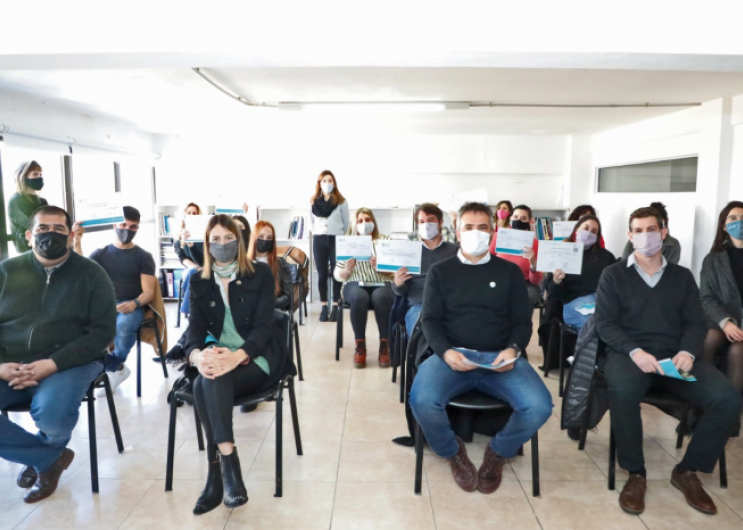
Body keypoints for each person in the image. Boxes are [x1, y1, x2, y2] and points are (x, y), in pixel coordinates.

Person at [594, 207, 742, 516]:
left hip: (676, 362)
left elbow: (695, 323)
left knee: (727, 398)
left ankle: (687, 471)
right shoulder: (614, 274)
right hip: (629, 357)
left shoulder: (681, 277)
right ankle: (636, 474)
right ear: (630, 235)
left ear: (664, 233)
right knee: (622, 391)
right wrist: (636, 351)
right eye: (638, 230)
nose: (645, 236)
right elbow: (606, 324)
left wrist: (688, 352)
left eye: (652, 229)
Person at [409, 201, 553, 494]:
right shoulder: (440, 271)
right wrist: (447, 352)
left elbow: (522, 322)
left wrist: (513, 350)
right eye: (469, 228)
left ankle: (498, 452)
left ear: (493, 232)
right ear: (458, 233)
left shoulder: (510, 272)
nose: (476, 233)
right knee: (421, 401)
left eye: (483, 227)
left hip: (500, 359)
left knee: (540, 406)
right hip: (451, 356)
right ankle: (452, 452)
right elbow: (431, 321)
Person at [0, 205, 116, 504]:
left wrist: (51, 364)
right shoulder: (7, 271)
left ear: (70, 235)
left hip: (71, 360)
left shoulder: (92, 274)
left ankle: (39, 457)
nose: (50, 235)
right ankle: (47, 458)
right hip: (9, 363)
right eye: (42, 229)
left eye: (58, 229)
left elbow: (102, 333)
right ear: (28, 236)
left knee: (52, 416)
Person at [185, 214, 283, 514]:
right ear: (206, 243)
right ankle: (227, 472)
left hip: (257, 357)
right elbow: (193, 333)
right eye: (215, 239)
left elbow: (264, 328)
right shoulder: (198, 280)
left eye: (228, 239)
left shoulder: (260, 274)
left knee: (206, 382)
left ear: (239, 242)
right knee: (207, 377)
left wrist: (237, 357)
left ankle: (219, 475)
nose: (222, 245)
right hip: (217, 358)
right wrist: (197, 356)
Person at [73, 206, 157, 392]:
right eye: (124, 224)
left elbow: (148, 291)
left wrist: (134, 303)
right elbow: (82, 272)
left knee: (125, 325)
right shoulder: (100, 253)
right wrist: (77, 242)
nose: (127, 229)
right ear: (114, 224)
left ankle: (113, 365)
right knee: (77, 330)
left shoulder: (144, 256)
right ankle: (116, 368)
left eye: (133, 227)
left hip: (132, 306)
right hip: (102, 306)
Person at [334, 207, 394, 369]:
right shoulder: (348, 242)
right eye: (360, 221)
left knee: (381, 296)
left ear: (373, 222)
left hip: (381, 282)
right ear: (355, 224)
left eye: (368, 220)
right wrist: (347, 270)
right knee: (359, 297)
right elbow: (337, 275)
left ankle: (384, 346)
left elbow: (395, 272)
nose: (364, 223)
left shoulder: (385, 241)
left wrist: (382, 267)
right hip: (355, 283)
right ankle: (360, 347)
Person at [700, 201, 743, 405]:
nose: (739, 222)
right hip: (721, 321)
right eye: (733, 218)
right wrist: (726, 322)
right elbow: (706, 296)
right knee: (708, 339)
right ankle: (698, 406)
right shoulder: (713, 259)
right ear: (724, 226)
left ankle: (729, 413)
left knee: (738, 351)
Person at [393, 203, 458, 338]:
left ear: (440, 222)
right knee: (423, 335)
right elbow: (399, 291)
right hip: (419, 304)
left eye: (431, 220)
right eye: (421, 221)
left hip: (448, 306)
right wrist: (398, 283)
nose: (426, 224)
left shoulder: (454, 250)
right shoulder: (408, 251)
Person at [545, 215, 615, 331]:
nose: (589, 233)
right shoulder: (562, 252)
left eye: (594, 231)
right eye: (586, 228)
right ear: (577, 229)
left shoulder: (606, 256)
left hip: (601, 302)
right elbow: (553, 293)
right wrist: (557, 281)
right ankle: (588, 349)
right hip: (574, 303)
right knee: (593, 326)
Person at [166, 202, 206, 360]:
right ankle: (191, 310)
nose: (192, 215)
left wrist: (194, 245)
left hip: (204, 266)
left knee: (195, 275)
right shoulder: (178, 236)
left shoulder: (205, 234)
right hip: (190, 268)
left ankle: (190, 313)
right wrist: (194, 267)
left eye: (195, 212)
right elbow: (182, 258)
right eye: (189, 212)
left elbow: (205, 259)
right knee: (191, 274)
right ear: (184, 214)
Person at [309, 170, 349, 323]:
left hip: (336, 240)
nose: (327, 183)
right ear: (319, 183)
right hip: (319, 240)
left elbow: (345, 223)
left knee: (336, 273)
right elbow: (311, 225)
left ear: (334, 182)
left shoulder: (341, 201)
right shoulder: (313, 202)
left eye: (330, 180)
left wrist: (336, 233)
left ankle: (335, 306)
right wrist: (321, 233)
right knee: (321, 274)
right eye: (324, 180)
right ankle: (324, 307)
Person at [488, 204, 543, 306]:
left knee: (528, 296)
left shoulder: (535, 243)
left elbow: (536, 280)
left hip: (524, 283)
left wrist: (533, 262)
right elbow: (488, 258)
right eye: (516, 217)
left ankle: (520, 321)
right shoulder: (499, 236)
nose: (519, 221)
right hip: (500, 280)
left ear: (529, 221)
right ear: (511, 218)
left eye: (523, 218)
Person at [247, 221, 293, 311]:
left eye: (269, 238)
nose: (265, 240)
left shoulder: (281, 263)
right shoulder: (243, 264)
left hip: (273, 312)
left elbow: (288, 296)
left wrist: (268, 303)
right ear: (254, 238)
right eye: (260, 236)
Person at [8, 161, 48, 253]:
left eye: (40, 174)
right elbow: (32, 224)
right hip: (28, 250)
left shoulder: (41, 201)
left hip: (43, 247)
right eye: (35, 174)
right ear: (23, 177)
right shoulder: (16, 201)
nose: (39, 177)